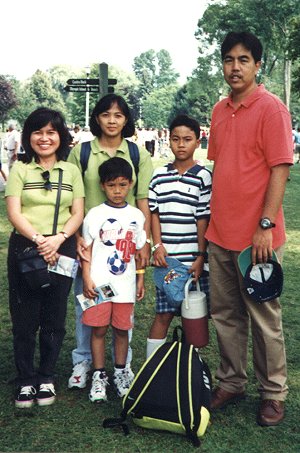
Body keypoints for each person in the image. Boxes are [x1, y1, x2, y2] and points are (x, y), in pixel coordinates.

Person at [205, 32, 293, 426]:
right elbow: (222, 168)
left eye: (243, 59)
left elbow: (280, 169)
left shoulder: (272, 109)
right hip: (220, 233)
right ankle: (231, 381)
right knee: (225, 315)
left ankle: (273, 393)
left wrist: (265, 225)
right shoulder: (219, 111)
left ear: (258, 64)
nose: (235, 67)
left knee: (264, 318)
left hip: (256, 238)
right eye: (228, 59)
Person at [67, 94, 153, 389]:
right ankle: (83, 361)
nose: (112, 120)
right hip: (88, 241)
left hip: (123, 245)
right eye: (106, 114)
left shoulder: (137, 154)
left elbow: (143, 200)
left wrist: (145, 243)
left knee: (121, 310)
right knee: (87, 302)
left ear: (126, 119)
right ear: (97, 118)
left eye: (118, 115)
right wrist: (76, 236)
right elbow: (72, 197)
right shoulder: (81, 152)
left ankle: (122, 366)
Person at [5, 108, 84, 408]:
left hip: (61, 247)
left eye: (51, 132)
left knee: (54, 315)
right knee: (24, 318)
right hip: (26, 248)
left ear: (61, 136)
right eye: (38, 132)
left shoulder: (71, 171)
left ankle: (46, 375)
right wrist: (39, 240)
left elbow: (77, 212)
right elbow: (14, 212)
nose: (44, 138)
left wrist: (59, 239)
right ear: (29, 136)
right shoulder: (20, 170)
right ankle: (25, 379)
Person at [81, 157, 146, 402]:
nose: (117, 191)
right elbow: (85, 250)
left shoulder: (137, 216)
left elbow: (139, 252)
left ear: (130, 184)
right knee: (98, 329)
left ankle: (120, 373)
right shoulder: (94, 215)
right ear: (102, 186)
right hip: (99, 285)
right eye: (111, 185)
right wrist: (87, 278)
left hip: (125, 286)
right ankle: (99, 376)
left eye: (122, 185)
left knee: (121, 330)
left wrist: (140, 279)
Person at [146, 114, 212, 358]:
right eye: (175, 139)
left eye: (187, 139)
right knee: (162, 315)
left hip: (194, 261)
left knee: (194, 318)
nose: (181, 144)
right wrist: (157, 246)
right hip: (168, 261)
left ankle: (188, 371)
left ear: (197, 141)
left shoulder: (204, 177)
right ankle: (151, 371)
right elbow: (154, 213)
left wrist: (200, 257)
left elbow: (202, 218)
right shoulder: (159, 175)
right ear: (169, 140)